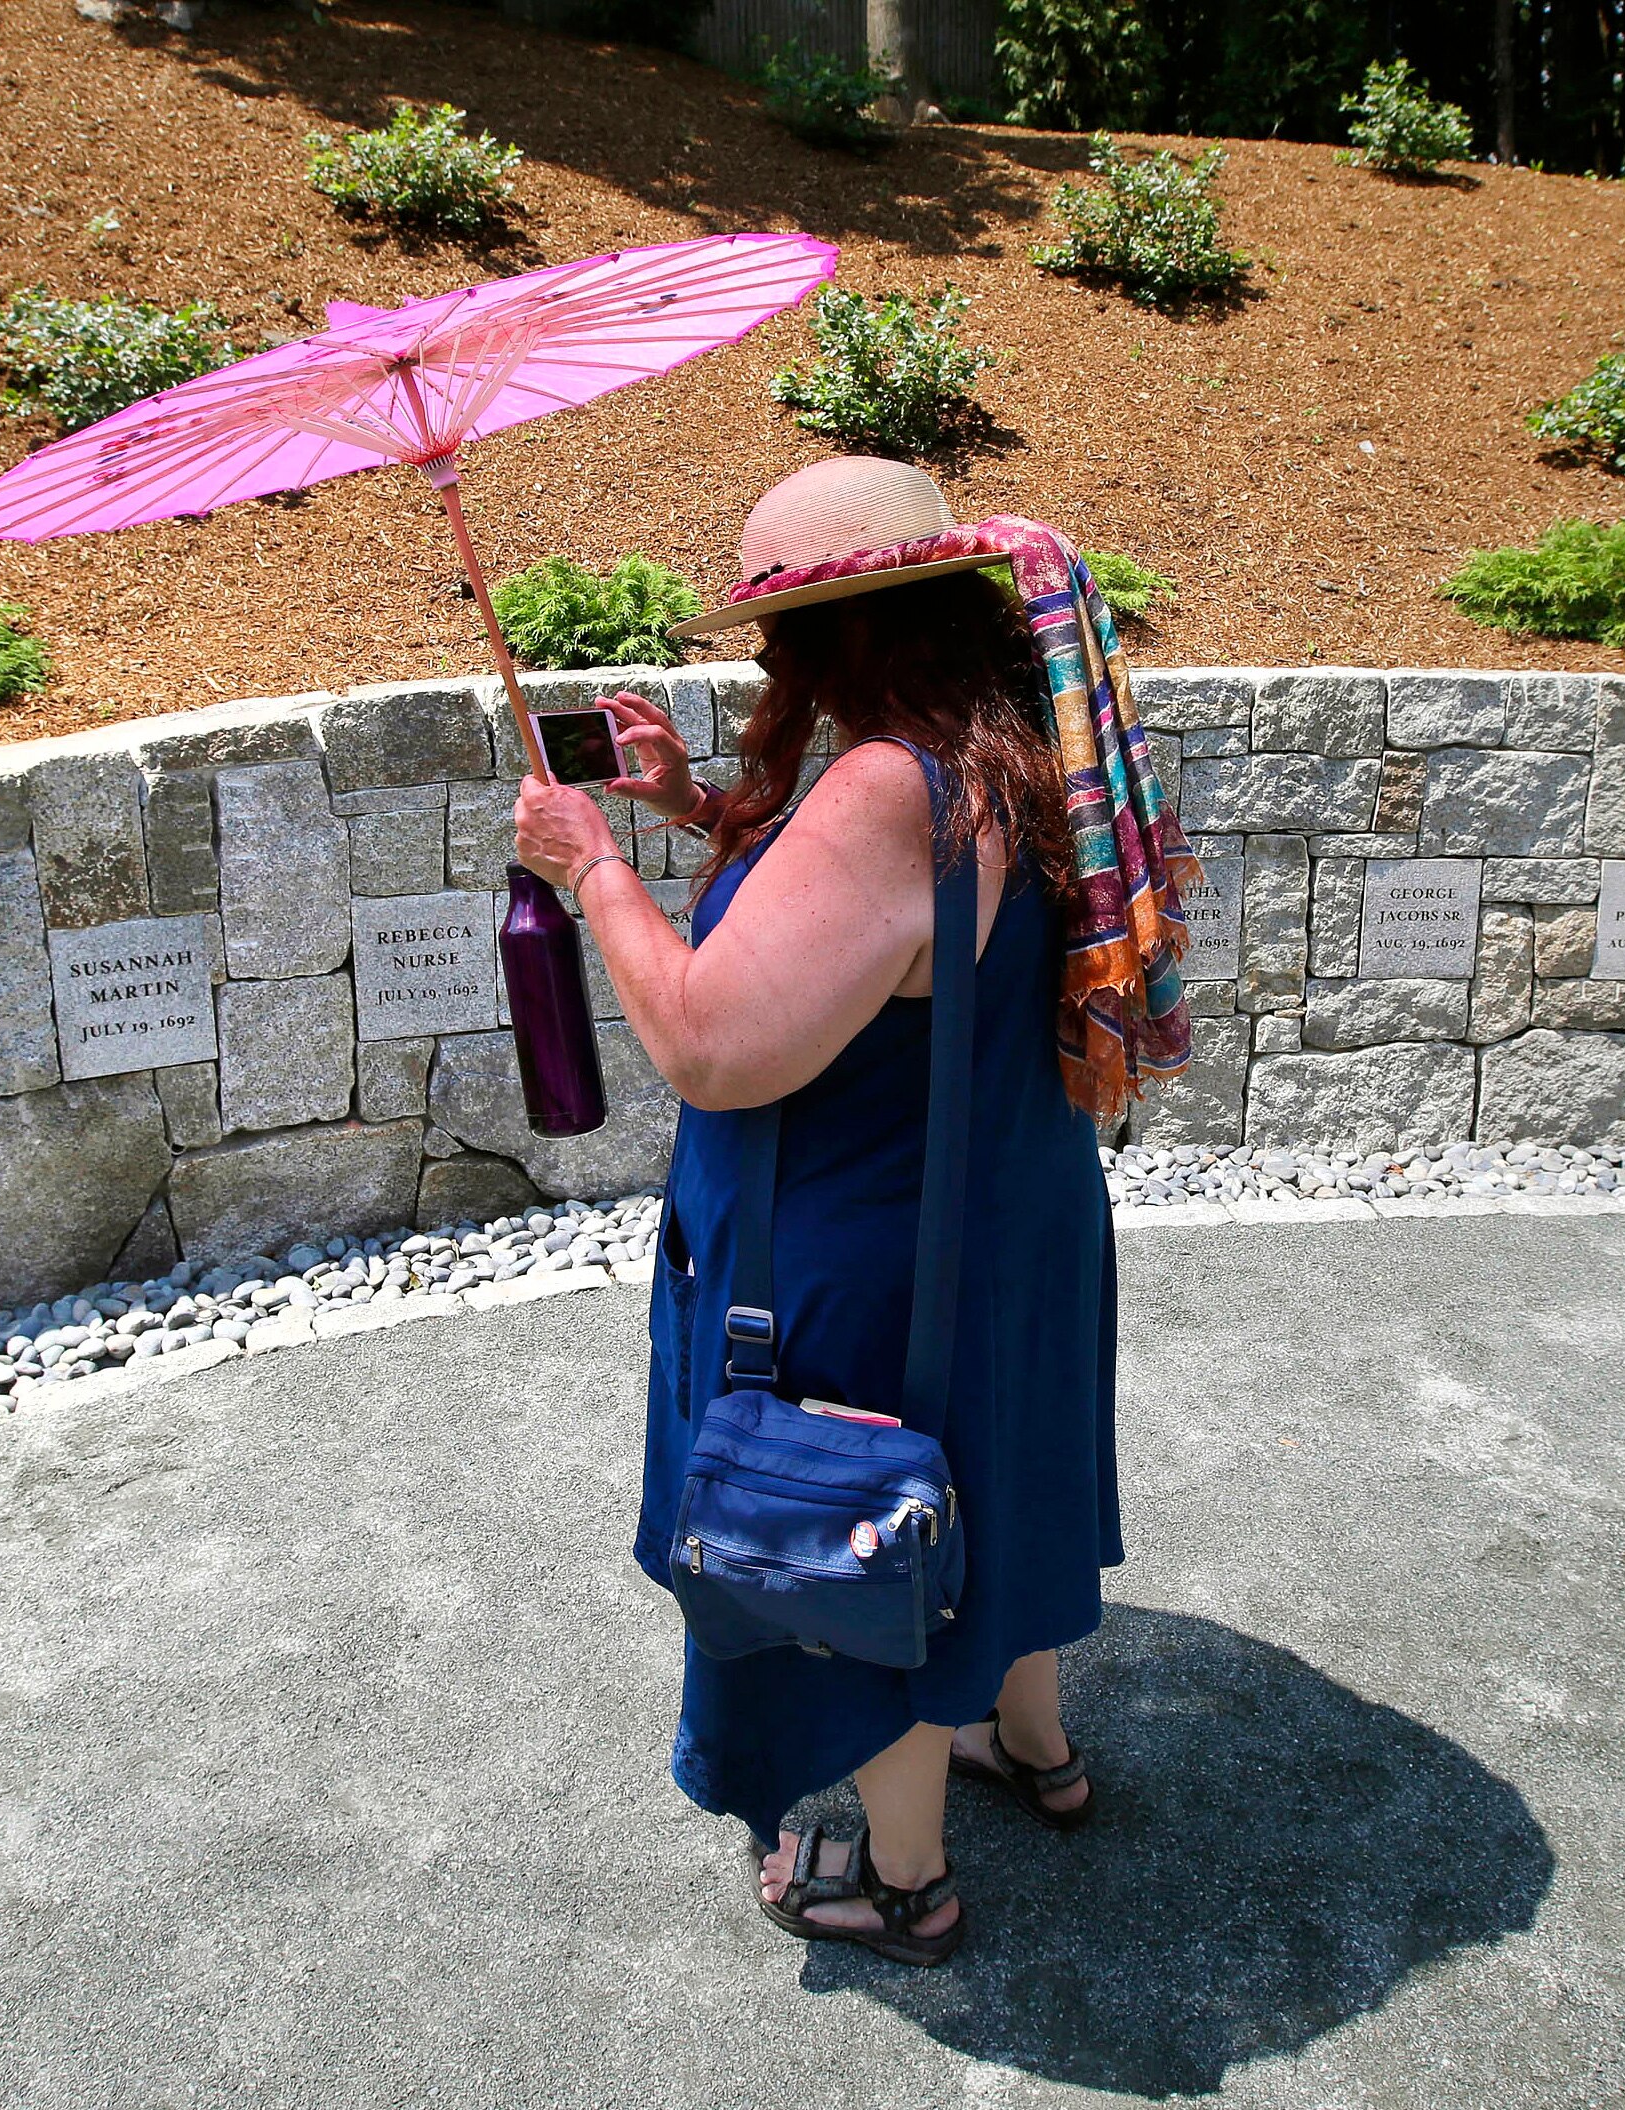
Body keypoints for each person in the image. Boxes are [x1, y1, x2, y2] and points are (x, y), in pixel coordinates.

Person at [508, 456, 1198, 1968]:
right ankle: (1030, 1741)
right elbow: (874, 941)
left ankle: (897, 1876)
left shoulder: (884, 787)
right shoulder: (1006, 747)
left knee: (861, 1549)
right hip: (1005, 1224)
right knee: (989, 1478)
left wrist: (595, 869)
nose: (765, 661)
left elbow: (710, 1038)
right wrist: (692, 805)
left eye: (773, 633)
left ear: (837, 633)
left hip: (869, 1256)